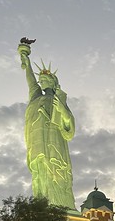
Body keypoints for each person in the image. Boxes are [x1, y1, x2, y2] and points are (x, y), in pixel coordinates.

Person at [18, 41, 76, 209]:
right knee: (39, 173)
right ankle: (42, 204)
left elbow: (69, 126)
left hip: (54, 144)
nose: (41, 82)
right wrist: (26, 61)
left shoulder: (58, 99)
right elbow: (31, 82)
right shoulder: (36, 96)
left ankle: (60, 204)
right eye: (41, 79)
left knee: (56, 170)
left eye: (44, 80)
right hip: (37, 143)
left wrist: (63, 112)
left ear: (52, 82)